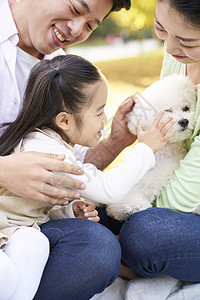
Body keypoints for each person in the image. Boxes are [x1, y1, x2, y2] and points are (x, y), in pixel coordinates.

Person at [0, 0, 134, 298]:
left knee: (97, 249)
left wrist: (116, 142)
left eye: (89, 25)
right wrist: (4, 171)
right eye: (76, 8)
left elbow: (69, 168)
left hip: (24, 224)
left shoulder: (60, 71)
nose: (75, 29)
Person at [98, 0, 200, 296]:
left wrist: (125, 224)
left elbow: (181, 198)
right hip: (174, 182)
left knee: (145, 235)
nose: (169, 48)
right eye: (160, 28)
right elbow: (157, 118)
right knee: (96, 206)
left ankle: (128, 261)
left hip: (189, 201)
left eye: (186, 41)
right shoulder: (177, 56)